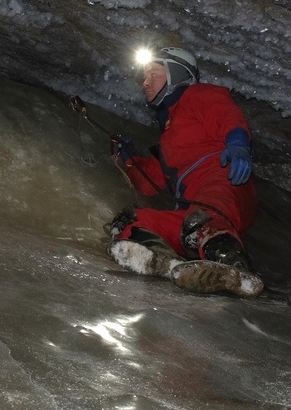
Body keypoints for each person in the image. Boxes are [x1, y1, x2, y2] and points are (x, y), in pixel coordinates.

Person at [105, 46, 262, 298]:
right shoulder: (170, 138)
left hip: (225, 182)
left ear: (176, 73)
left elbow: (227, 116)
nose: (146, 82)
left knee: (201, 220)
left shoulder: (198, 94)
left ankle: (235, 270)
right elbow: (149, 182)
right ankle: (167, 263)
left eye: (153, 74)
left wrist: (238, 145)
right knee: (131, 221)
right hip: (192, 209)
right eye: (144, 77)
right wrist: (127, 158)